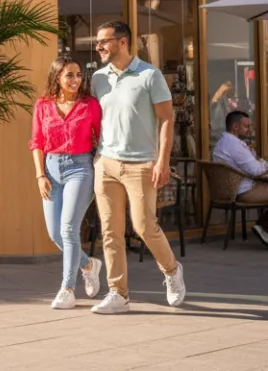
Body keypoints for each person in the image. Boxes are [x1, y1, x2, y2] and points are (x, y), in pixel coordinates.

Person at [90, 21, 186, 314]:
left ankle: (171, 270)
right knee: (110, 231)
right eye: (98, 43)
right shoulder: (98, 78)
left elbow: (167, 118)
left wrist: (163, 161)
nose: (98, 48)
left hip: (141, 164)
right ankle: (118, 293)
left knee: (144, 226)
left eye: (104, 42)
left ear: (122, 42)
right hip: (105, 163)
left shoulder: (149, 75)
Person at [29, 55, 104, 309]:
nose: (75, 80)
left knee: (69, 229)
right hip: (50, 170)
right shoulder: (42, 105)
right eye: (69, 75)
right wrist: (40, 175)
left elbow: (102, 139)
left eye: (78, 75)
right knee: (54, 233)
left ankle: (67, 289)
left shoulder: (89, 105)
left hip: (80, 169)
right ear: (57, 77)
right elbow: (36, 143)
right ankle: (88, 264)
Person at [212, 110, 268, 247]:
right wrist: (265, 164)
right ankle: (264, 227)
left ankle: (264, 226)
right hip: (243, 191)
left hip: (234, 189)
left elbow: (252, 163)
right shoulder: (234, 145)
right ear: (235, 127)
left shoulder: (224, 142)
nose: (250, 130)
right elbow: (255, 169)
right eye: (247, 126)